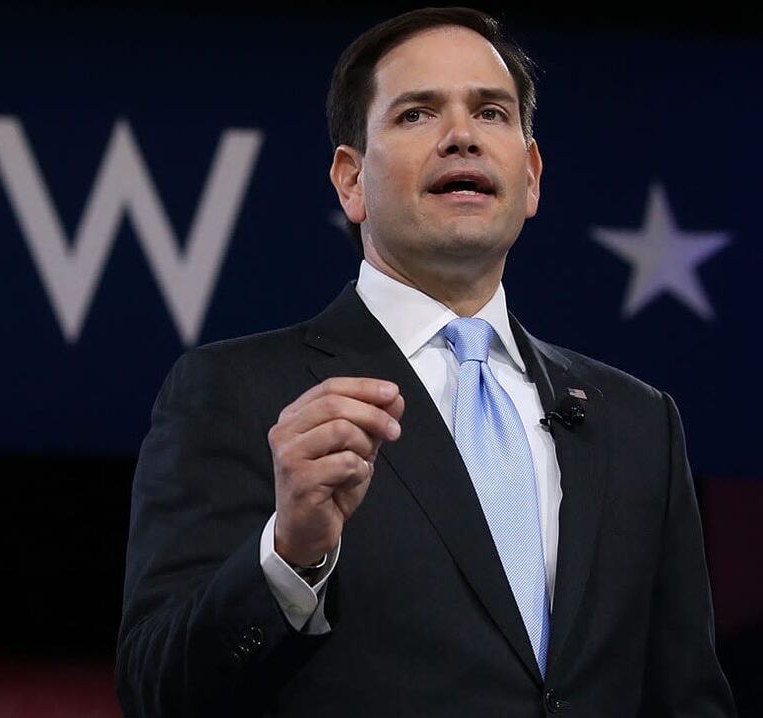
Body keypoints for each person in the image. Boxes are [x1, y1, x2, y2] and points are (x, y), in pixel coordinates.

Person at [115, 7, 736, 717]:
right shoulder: (236, 392)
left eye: (492, 113)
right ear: (351, 182)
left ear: (531, 176)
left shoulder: (639, 422)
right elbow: (156, 691)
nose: (462, 136)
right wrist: (289, 556)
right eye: (416, 114)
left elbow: (687, 697)